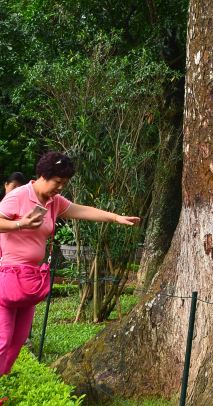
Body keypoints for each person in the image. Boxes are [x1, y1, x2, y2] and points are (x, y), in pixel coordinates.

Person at [0, 152, 140, 377]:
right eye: (58, 182)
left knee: (17, 342)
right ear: (43, 176)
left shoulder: (54, 202)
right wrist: (21, 224)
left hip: (31, 278)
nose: (61, 188)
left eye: (64, 183)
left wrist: (115, 218)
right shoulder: (18, 196)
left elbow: (81, 210)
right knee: (3, 339)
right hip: (9, 276)